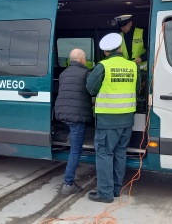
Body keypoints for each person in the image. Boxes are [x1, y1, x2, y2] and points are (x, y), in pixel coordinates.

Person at [86, 33, 141, 203]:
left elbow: (91, 89)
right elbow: (138, 88)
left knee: (104, 153)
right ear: (120, 48)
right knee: (120, 153)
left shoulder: (103, 66)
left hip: (108, 120)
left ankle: (105, 193)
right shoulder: (133, 66)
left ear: (106, 51)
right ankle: (116, 190)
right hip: (127, 119)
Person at [54, 48, 93, 195]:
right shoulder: (86, 73)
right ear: (82, 60)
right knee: (75, 150)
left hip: (63, 113)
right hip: (76, 116)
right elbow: (91, 91)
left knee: (72, 137)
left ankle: (70, 138)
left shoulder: (64, 73)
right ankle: (68, 183)